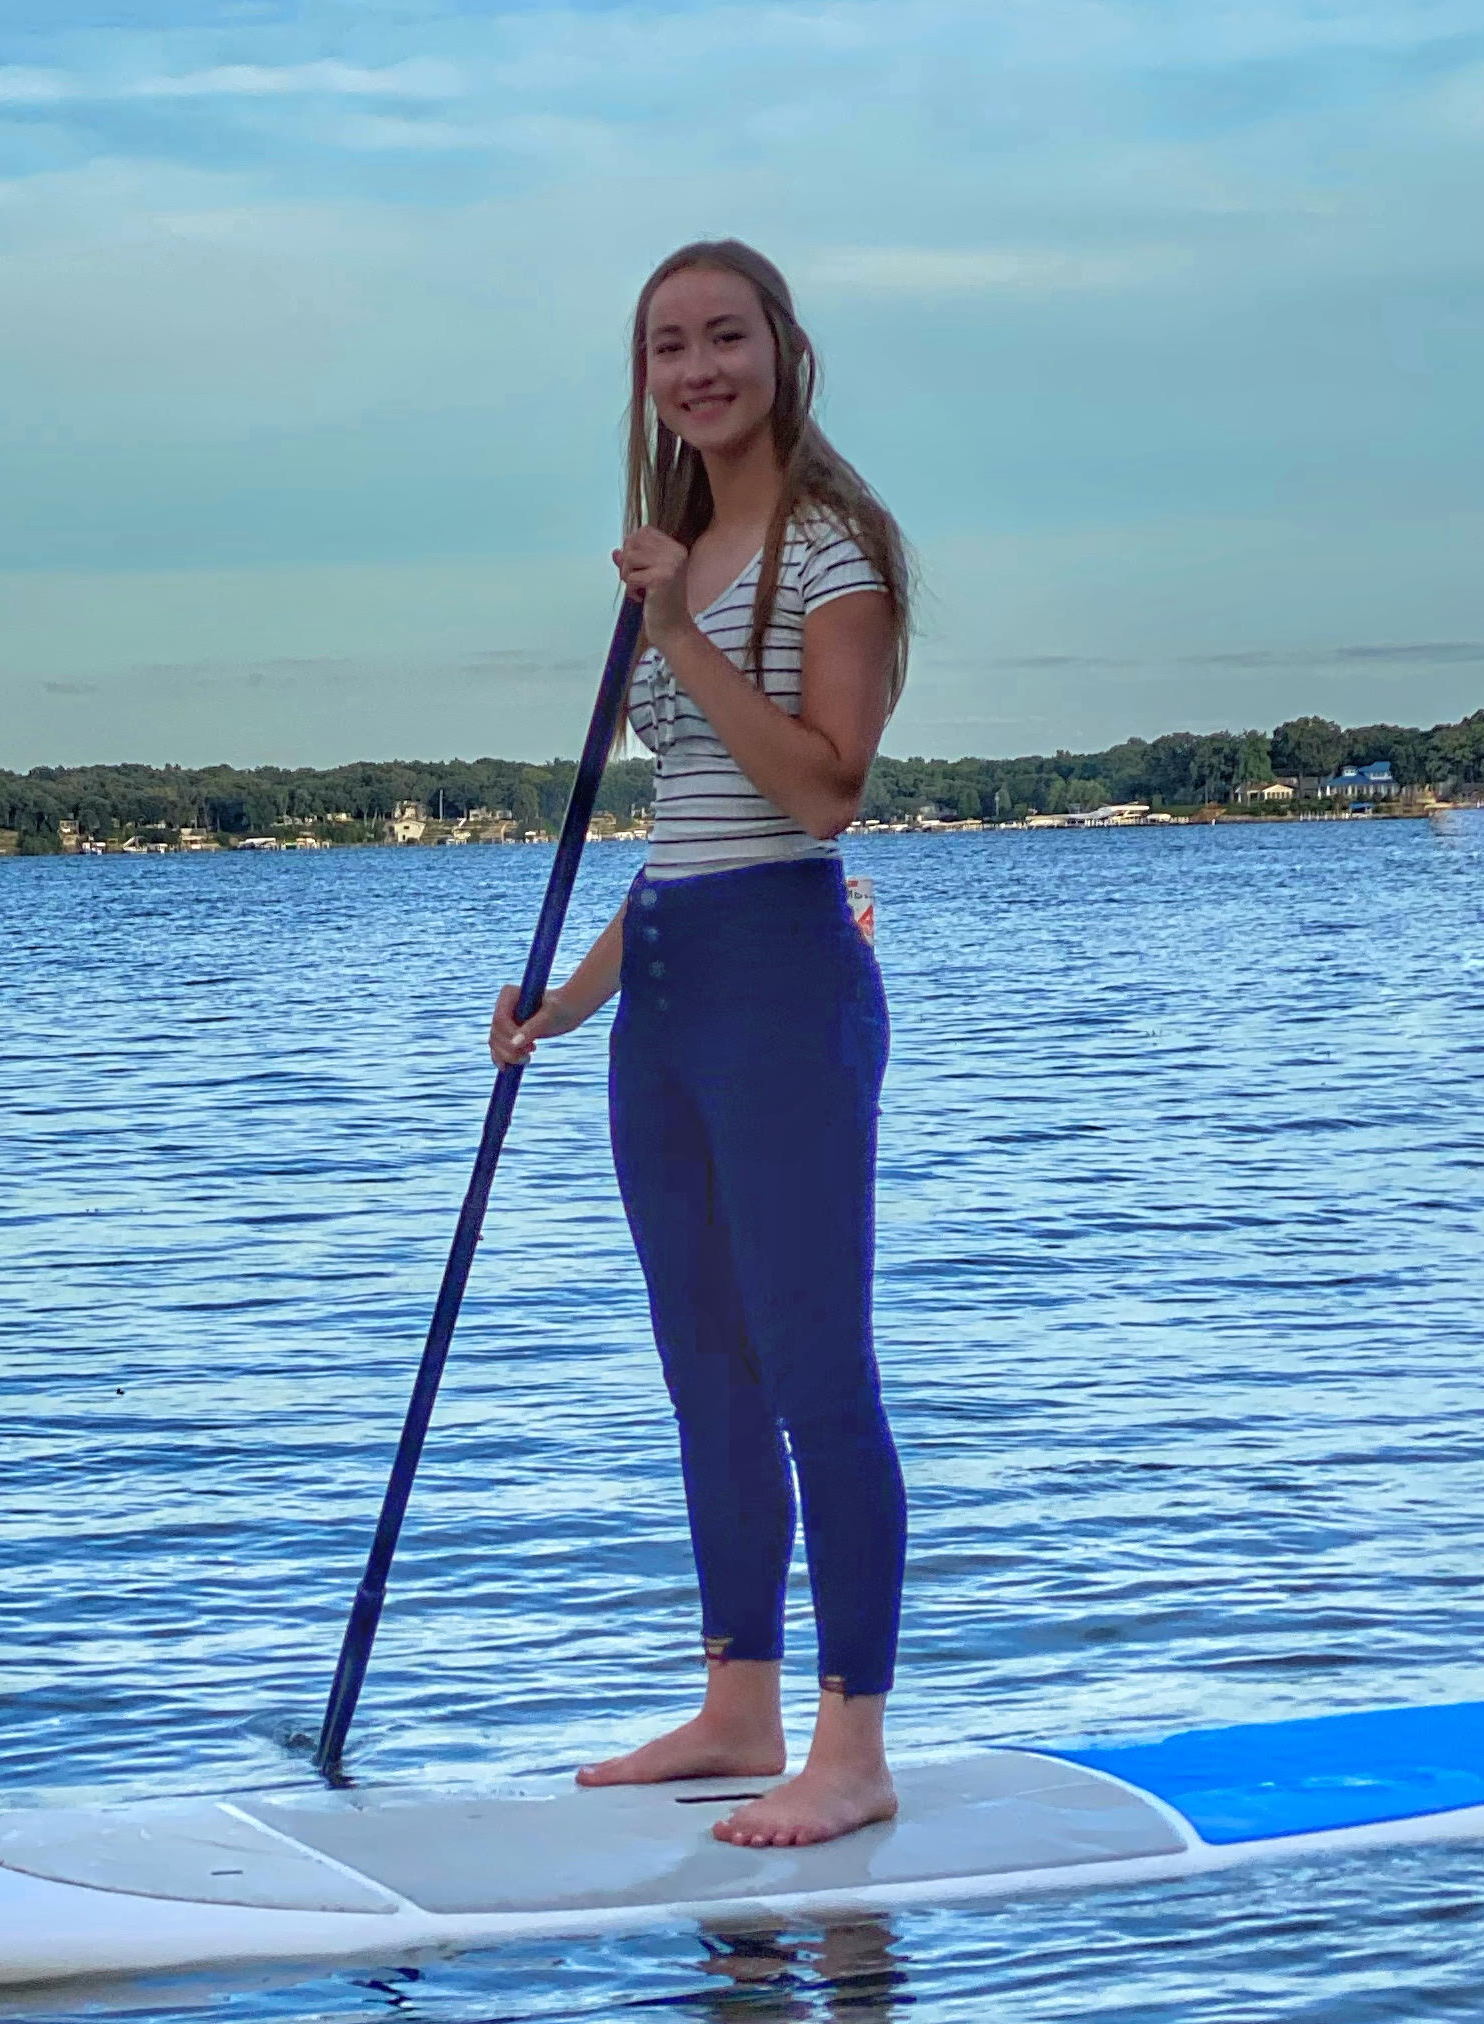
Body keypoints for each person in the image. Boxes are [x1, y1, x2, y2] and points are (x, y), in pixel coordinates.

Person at [489, 239, 914, 1849]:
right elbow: (685, 830)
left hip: (785, 986)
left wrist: (676, 635)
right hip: (669, 981)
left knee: (816, 1371)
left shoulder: (833, 552)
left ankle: (851, 1748)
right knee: (705, 1372)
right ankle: (739, 1706)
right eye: (668, 346)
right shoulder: (676, 554)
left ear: (782, 349)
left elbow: (820, 790)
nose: (696, 368)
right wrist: (569, 1001)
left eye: (723, 336)